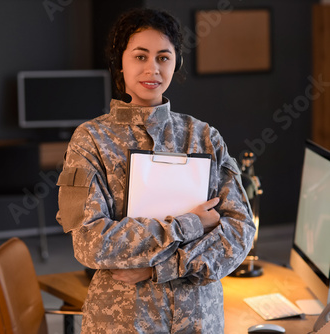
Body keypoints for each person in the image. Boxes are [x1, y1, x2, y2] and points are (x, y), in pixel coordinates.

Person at [56, 8, 256, 334]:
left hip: (199, 318)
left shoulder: (205, 137)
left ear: (176, 63)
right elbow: (90, 243)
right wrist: (190, 224)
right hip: (123, 321)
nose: (152, 68)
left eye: (163, 57)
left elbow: (240, 232)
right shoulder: (90, 140)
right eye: (140, 56)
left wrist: (160, 268)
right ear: (120, 62)